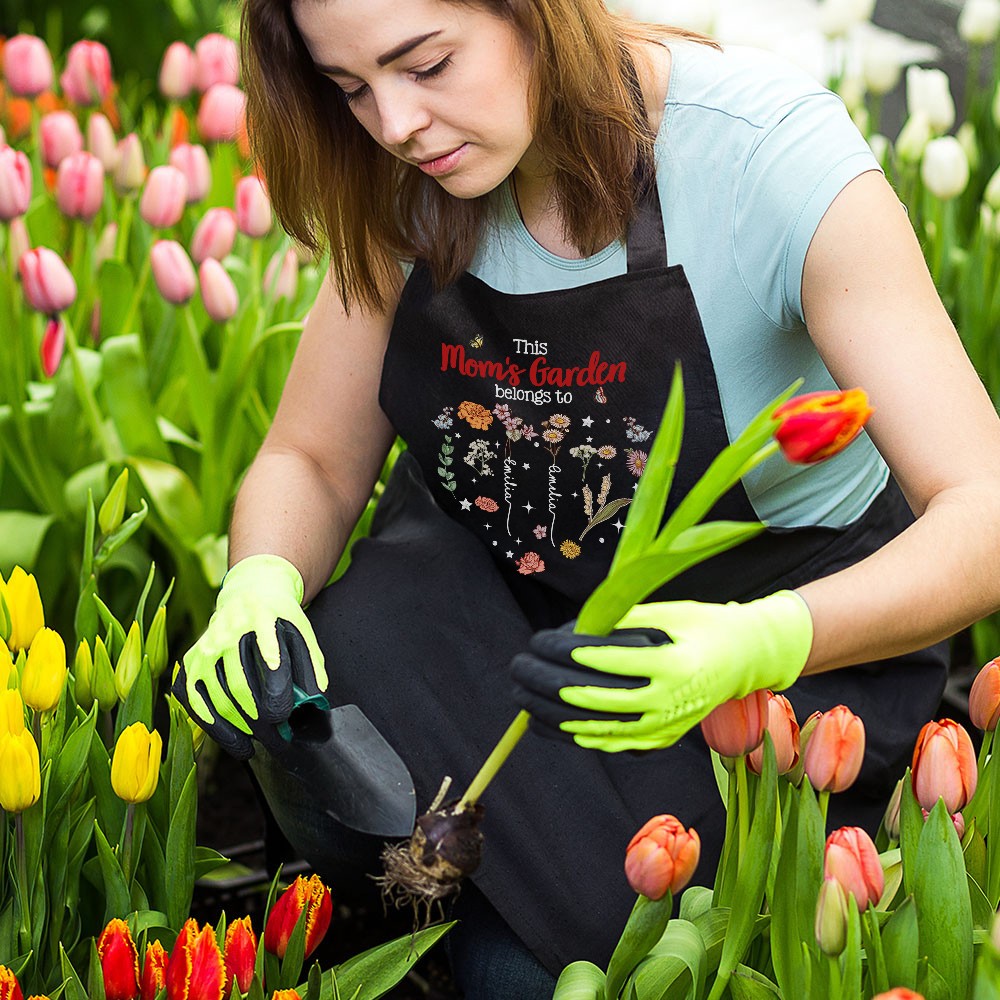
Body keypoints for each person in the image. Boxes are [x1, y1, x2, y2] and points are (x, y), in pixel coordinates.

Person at [172, 0, 1000, 995]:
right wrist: (256, 581)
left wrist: (764, 640)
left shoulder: (761, 162)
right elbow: (311, 457)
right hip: (500, 604)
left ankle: (472, 933)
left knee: (617, 917)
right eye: (350, 88)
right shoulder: (405, 176)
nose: (393, 125)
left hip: (742, 649)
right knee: (330, 662)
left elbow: (983, 507)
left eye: (426, 64)